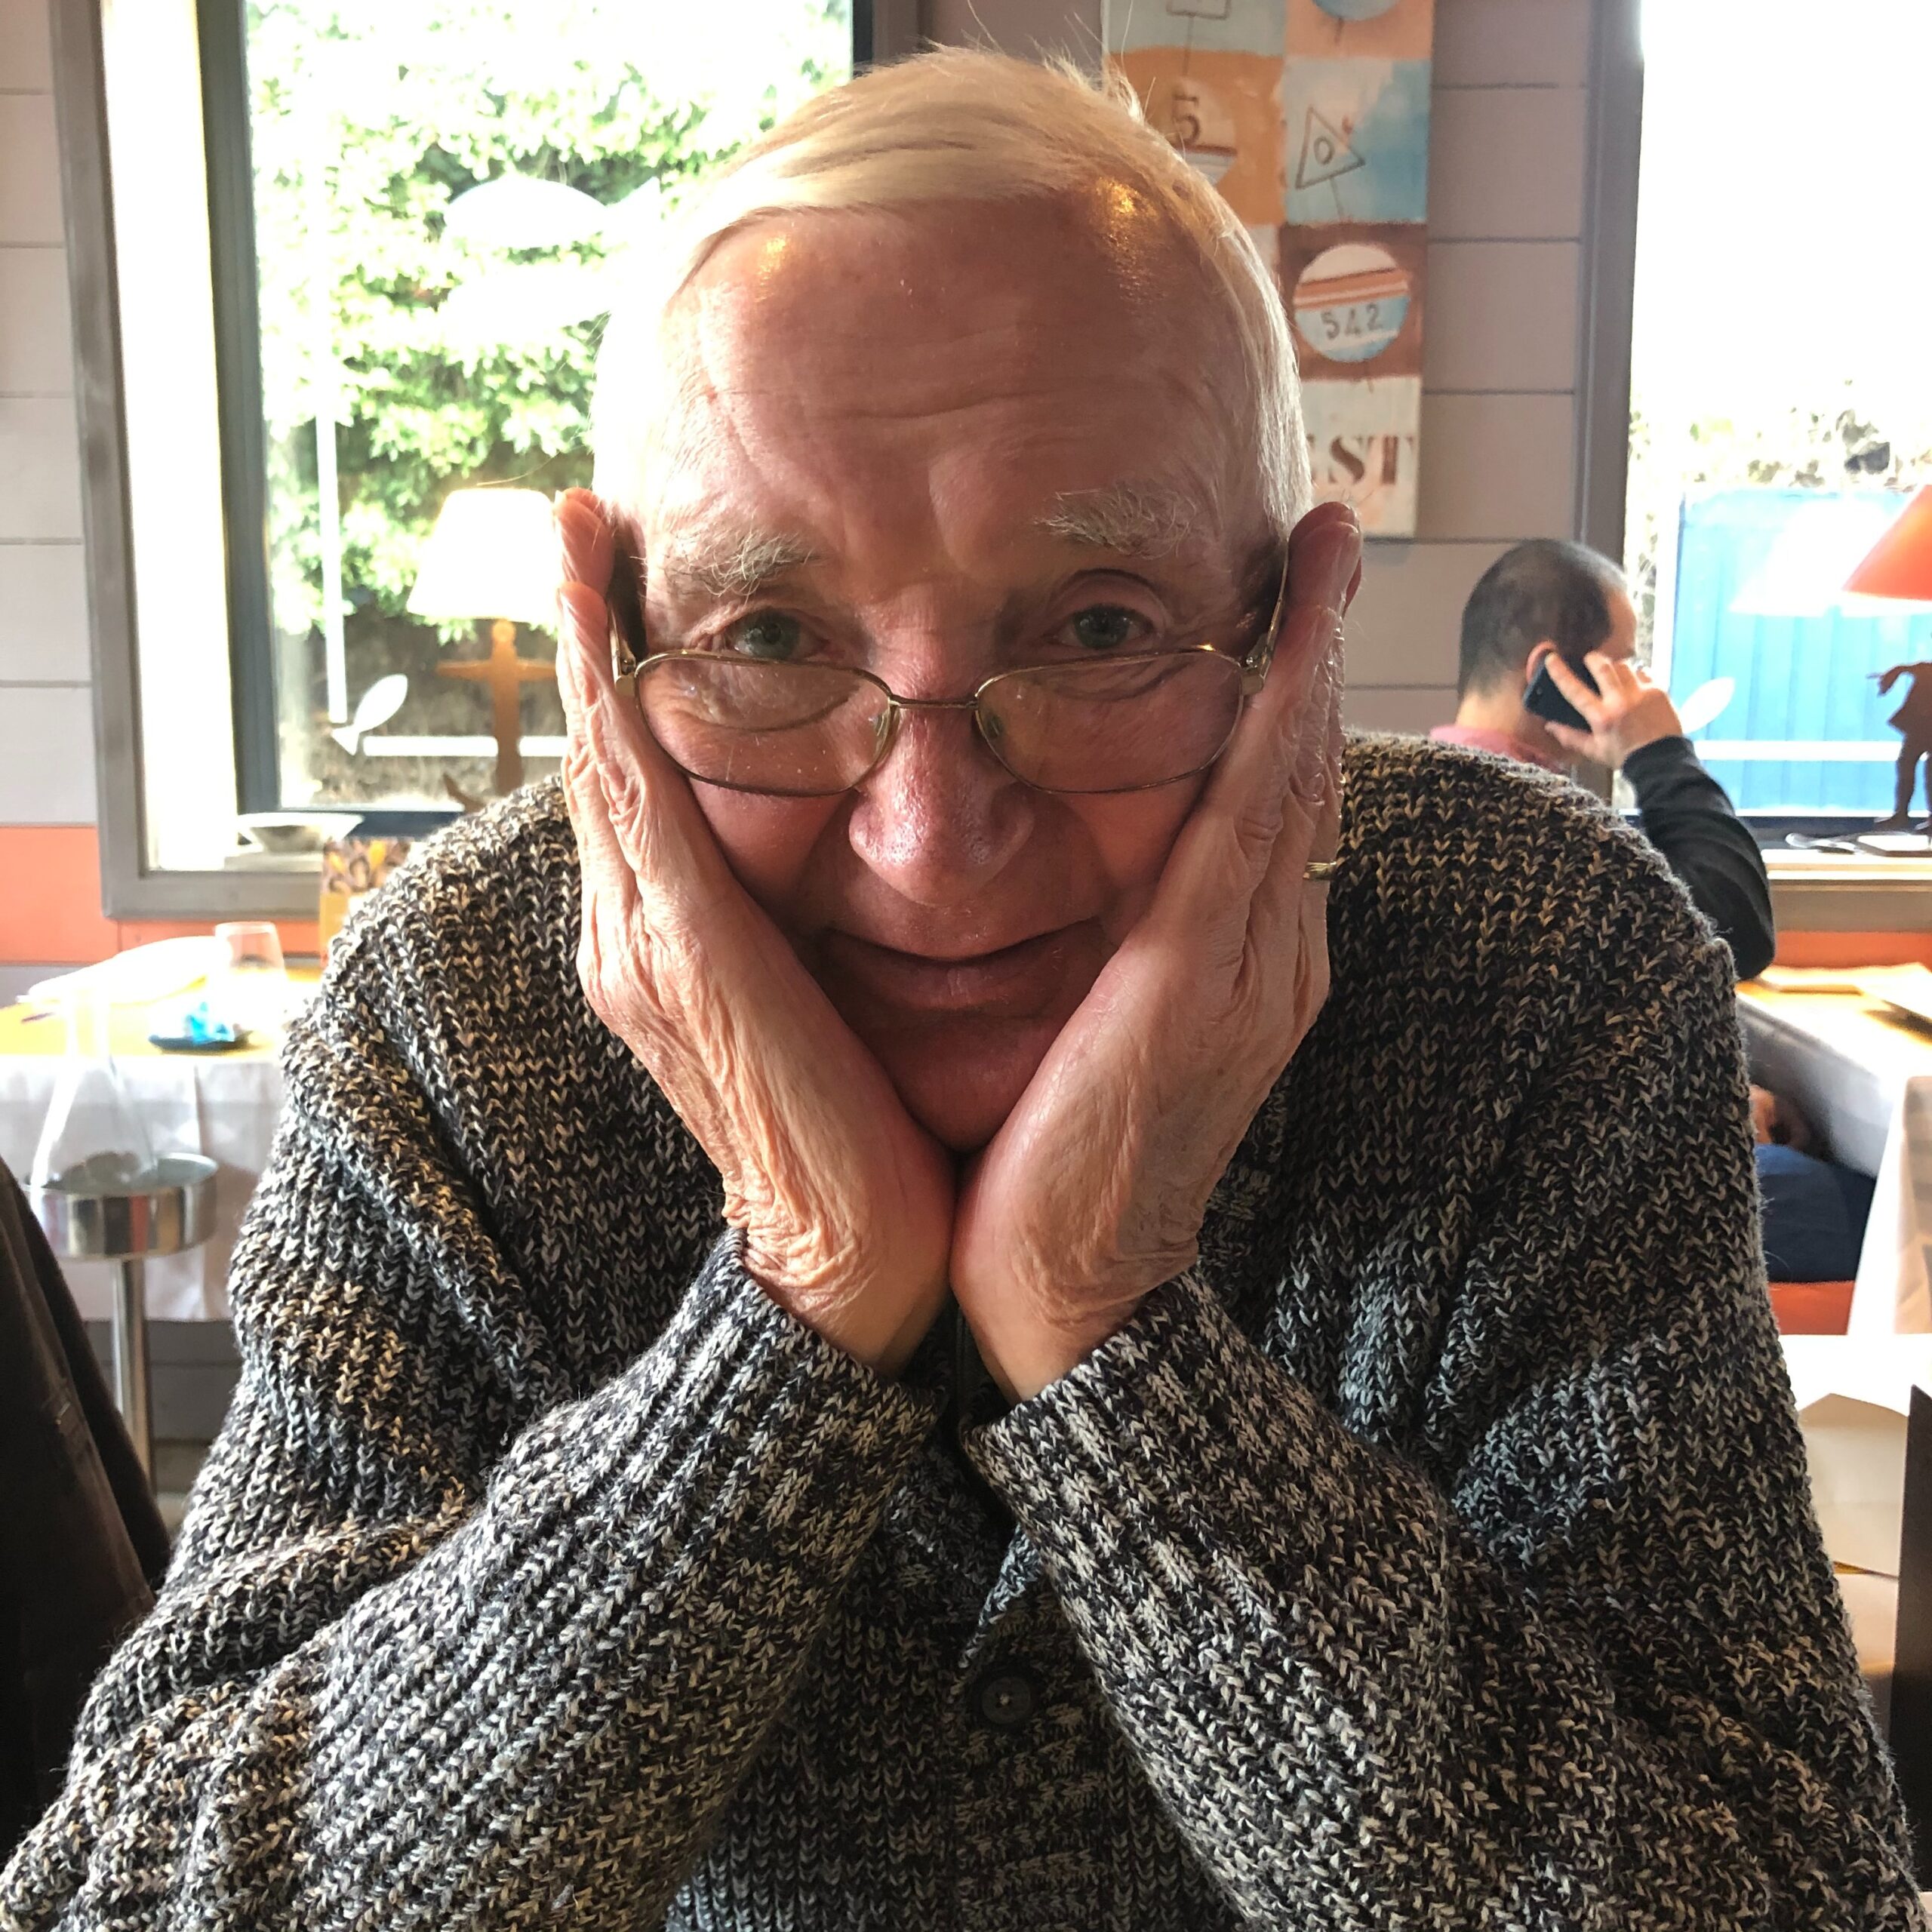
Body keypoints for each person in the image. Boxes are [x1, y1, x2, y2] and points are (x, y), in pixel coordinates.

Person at [4, 51, 1916, 1930]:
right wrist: (793, 1303)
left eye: (1098, 624)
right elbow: (126, 1898)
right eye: (767, 634)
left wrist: (1102, 1319)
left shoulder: (1540, 970)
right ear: (612, 655)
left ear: (1292, 640)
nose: (930, 842)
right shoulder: (458, 1005)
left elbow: (1779, 1892)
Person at [1432, 537, 1777, 979]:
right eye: (1621, 665)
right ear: (1550, 671)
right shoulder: (1543, 833)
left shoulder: (1422, 794)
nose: (1636, 687)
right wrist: (1659, 752)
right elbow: (1739, 932)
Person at [1874, 659, 1932, 829]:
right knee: (1907, 763)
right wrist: (1895, 672)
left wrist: (1896, 672)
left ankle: (1903, 815)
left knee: (1924, 769)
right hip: (1921, 725)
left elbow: (1916, 669)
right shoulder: (1925, 670)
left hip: (1924, 725)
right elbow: (1916, 669)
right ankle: (1901, 814)